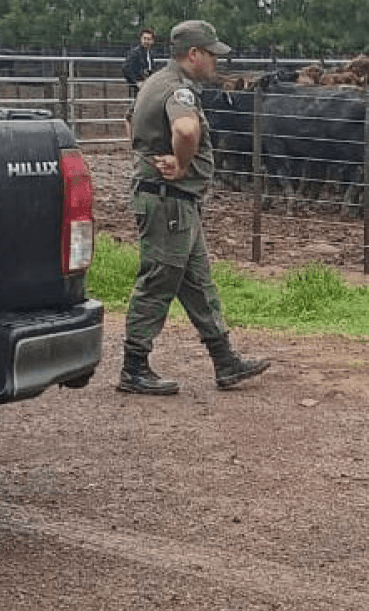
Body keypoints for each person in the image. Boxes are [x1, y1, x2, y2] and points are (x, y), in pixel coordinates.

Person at [119, 19, 270, 395]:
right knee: (158, 281)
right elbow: (186, 130)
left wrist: (146, 155)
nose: (216, 63)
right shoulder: (179, 90)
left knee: (198, 282)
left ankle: (225, 360)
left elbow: (129, 121)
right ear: (194, 54)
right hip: (168, 202)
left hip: (172, 202)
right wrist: (182, 164)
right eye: (212, 55)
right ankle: (133, 367)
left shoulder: (153, 81)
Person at [123, 28, 157, 98]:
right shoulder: (135, 53)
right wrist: (136, 82)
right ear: (140, 39)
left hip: (148, 85)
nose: (146, 41)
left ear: (152, 41)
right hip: (139, 86)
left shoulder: (150, 53)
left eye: (149, 39)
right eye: (144, 38)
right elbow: (126, 68)